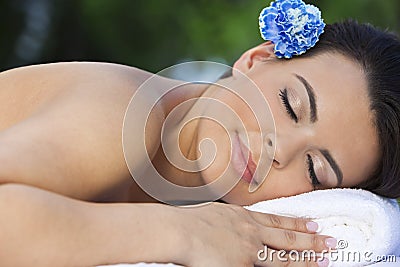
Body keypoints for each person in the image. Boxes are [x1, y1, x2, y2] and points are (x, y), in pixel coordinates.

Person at [0, 6, 399, 267]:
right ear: (255, 61)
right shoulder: (122, 112)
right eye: (290, 104)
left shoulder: (216, 207)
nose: (280, 149)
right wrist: (180, 230)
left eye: (315, 170)